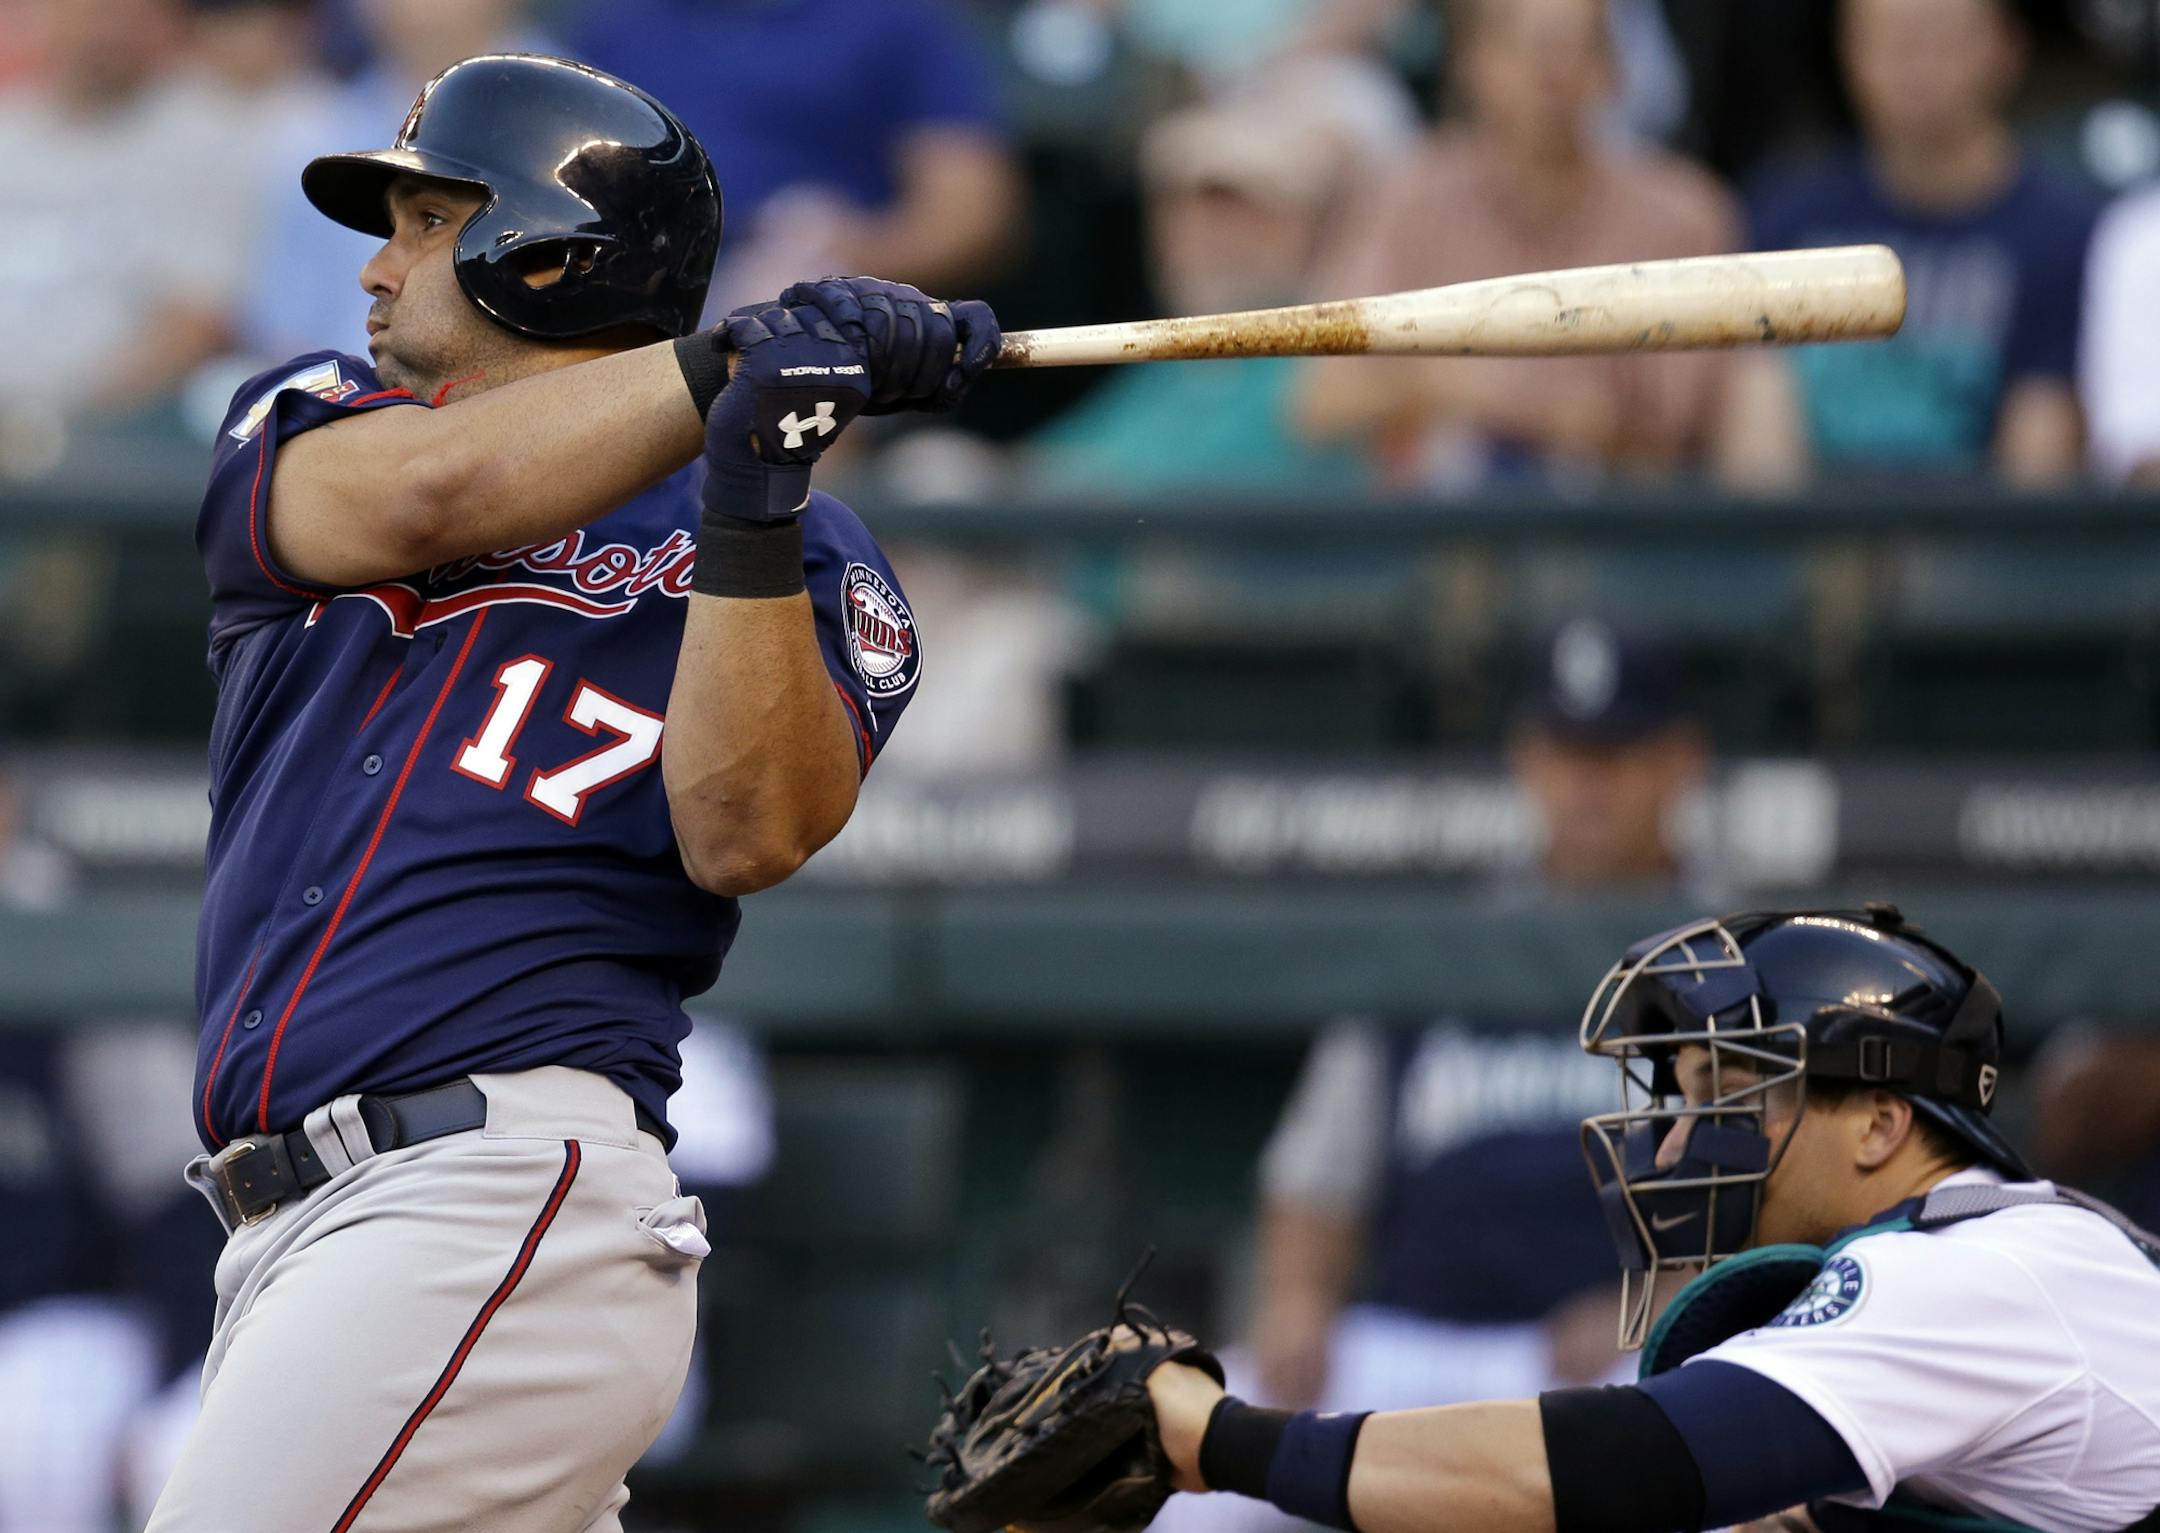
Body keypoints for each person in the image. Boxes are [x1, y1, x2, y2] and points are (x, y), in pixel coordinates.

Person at [146, 53, 999, 1532]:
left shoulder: (814, 552)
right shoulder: (311, 413)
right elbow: (429, 502)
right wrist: (726, 370)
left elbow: (746, 831)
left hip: (487, 1189)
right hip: (302, 1236)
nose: (373, 268)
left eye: (423, 222)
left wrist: (756, 488)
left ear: (544, 249)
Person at [1139, 906, 2160, 1531]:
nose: (1679, 1146)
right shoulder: (1990, 1253)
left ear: (1880, 1124)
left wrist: (1224, 1443)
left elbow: (1597, 1469)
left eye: (1732, 1097)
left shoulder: (1967, 1273)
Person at [1293, 0, 1776, 489]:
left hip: (1624, 532)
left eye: (1574, 44)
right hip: (1433, 537)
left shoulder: (1682, 213)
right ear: (1468, 62)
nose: (1548, 67)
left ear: (1612, 70)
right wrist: (1460, 389)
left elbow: (1667, 431)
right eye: (1519, 42)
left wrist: (1545, 410)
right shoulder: (1404, 199)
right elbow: (1321, 402)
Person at [1741, 0, 2102, 485]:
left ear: (2007, 48)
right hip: (1813, 545)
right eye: (1891, 42)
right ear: (1846, 52)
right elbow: (1754, 446)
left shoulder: (2064, 236)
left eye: (1940, 40)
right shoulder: (1787, 218)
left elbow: (2036, 473)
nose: (1915, 68)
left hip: (1979, 547)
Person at [573, 0, 1022, 313]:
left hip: (802, 279)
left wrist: (859, 252)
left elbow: (973, 215)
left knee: (780, 311)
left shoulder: (894, 20)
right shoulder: (621, 24)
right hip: (642, 283)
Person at [0, 0, 260, 419]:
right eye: (89, 13)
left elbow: (197, 323)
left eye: (126, 15)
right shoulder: (8, 131)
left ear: (168, 23)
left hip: (122, 434)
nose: (106, 32)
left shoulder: (212, 140)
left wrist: (60, 421)